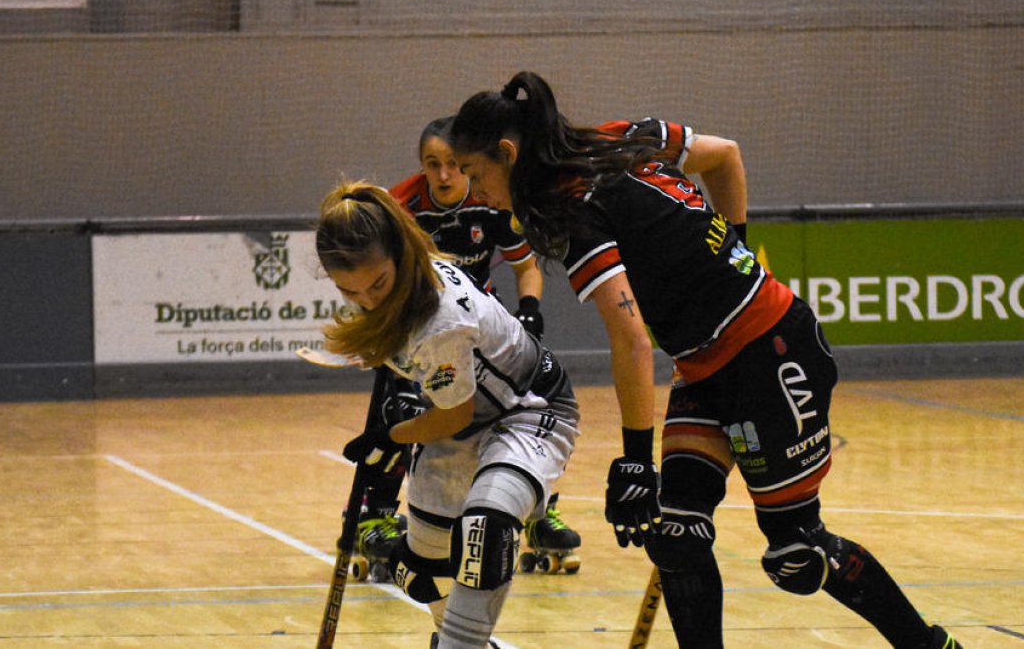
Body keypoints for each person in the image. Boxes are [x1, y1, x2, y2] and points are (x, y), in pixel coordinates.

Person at [448, 71, 964, 649]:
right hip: (704, 364)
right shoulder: (624, 134)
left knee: (797, 552)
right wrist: (735, 241)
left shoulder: (578, 210)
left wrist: (637, 462)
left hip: (771, 353)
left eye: (474, 173)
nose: (476, 193)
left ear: (508, 154)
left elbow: (631, 339)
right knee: (675, 534)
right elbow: (725, 158)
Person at [315, 180, 580, 649]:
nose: (370, 299)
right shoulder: (394, 286)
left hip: (528, 411)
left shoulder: (441, 319)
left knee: (487, 526)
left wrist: (393, 435)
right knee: (421, 571)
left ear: (399, 254)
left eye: (378, 284)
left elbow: (452, 416)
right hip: (465, 413)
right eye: (351, 291)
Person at [348, 116, 581, 574]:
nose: (444, 175)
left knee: (520, 404)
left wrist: (530, 311)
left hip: (477, 321)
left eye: (453, 164)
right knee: (402, 412)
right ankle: (374, 516)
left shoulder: (489, 198)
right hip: (414, 326)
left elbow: (526, 265)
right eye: (433, 165)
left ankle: (538, 512)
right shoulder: (402, 208)